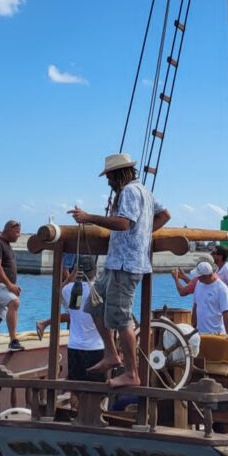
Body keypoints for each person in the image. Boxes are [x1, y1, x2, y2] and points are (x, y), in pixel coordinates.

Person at [68, 152, 170, 388]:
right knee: (93, 306)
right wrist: (145, 235)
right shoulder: (145, 191)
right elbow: (165, 215)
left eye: (109, 178)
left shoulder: (129, 192)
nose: (108, 182)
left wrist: (88, 218)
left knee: (121, 319)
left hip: (126, 265)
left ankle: (131, 373)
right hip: (116, 263)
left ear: (117, 175)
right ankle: (111, 355)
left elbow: (124, 223)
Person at [0, 220, 24, 353]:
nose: (19, 235)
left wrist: (12, 285)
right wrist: (10, 285)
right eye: (17, 232)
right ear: (8, 229)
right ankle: (13, 340)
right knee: (14, 302)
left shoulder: (6, 245)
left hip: (3, 286)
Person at [191, 261, 228, 335]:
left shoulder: (222, 288)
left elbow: (226, 313)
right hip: (200, 333)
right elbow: (195, 304)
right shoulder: (198, 283)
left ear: (206, 276)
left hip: (216, 334)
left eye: (199, 276)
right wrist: (193, 326)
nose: (197, 278)